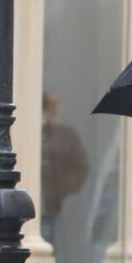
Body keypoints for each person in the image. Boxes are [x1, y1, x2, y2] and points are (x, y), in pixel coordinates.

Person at [40, 91, 88, 246]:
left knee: (51, 241)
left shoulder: (65, 134)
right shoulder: (27, 130)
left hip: (55, 203)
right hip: (30, 201)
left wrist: (63, 190)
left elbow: (81, 166)